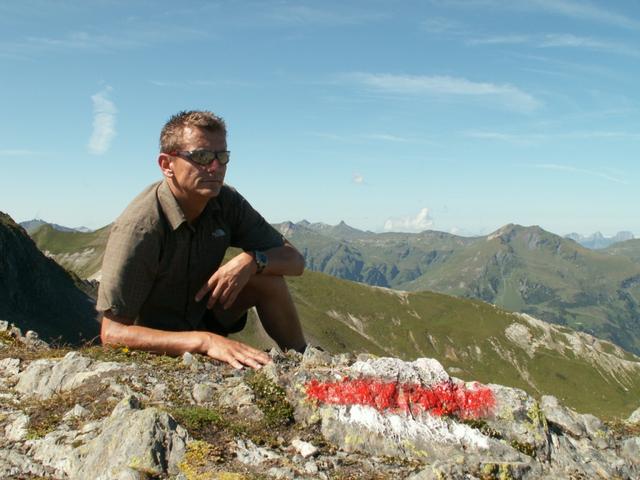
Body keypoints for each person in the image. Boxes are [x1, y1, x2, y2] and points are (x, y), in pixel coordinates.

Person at [98, 110, 306, 369]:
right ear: (166, 164)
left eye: (223, 157)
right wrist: (204, 342)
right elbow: (113, 334)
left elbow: (295, 261)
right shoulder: (140, 227)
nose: (215, 167)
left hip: (203, 313)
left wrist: (253, 260)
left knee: (268, 278)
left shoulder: (226, 202)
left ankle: (305, 361)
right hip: (159, 338)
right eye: (202, 156)